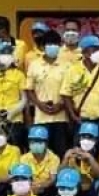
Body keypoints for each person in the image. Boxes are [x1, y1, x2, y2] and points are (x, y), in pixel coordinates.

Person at [61, 35, 99, 149]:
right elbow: (66, 95)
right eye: (95, 49)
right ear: (85, 53)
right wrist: (73, 116)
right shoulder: (72, 70)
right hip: (81, 121)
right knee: (80, 152)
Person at [26, 30, 69, 158]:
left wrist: (61, 105)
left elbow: (70, 91)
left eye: (55, 44)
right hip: (41, 117)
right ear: (43, 46)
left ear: (60, 45)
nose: (52, 47)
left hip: (61, 117)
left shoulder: (67, 65)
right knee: (42, 152)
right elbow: (29, 89)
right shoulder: (34, 65)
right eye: (49, 44)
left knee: (61, 152)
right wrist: (39, 104)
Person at [0, 42, 28, 149]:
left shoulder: (19, 75)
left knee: (15, 149)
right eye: (2, 53)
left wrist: (11, 113)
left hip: (15, 119)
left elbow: (24, 98)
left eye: (8, 53)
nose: (5, 56)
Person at [61, 121, 99, 196]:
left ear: (96, 140)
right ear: (79, 139)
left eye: (90, 137)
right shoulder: (73, 153)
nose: (86, 140)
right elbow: (60, 176)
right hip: (76, 190)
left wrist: (90, 158)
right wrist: (65, 158)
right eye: (83, 137)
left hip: (94, 191)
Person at [20, 125, 60, 196]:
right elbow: (24, 178)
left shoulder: (54, 158)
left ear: (46, 143)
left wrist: (41, 186)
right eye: (33, 141)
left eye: (39, 141)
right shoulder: (24, 158)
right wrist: (31, 187)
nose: (36, 143)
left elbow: (52, 179)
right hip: (30, 187)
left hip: (47, 189)